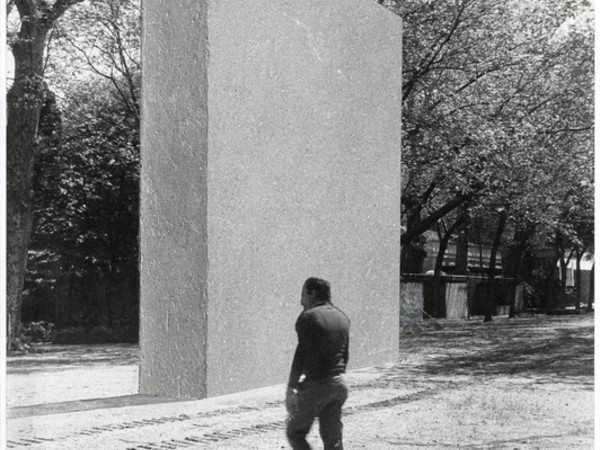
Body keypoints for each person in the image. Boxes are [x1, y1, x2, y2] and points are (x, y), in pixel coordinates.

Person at [286, 277, 351, 450]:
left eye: (303, 295)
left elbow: (301, 354)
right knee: (333, 439)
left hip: (317, 386)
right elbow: (345, 355)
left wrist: (292, 385)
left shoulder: (308, 317)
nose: (301, 301)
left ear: (312, 294)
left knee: (295, 433)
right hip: (340, 384)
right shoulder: (342, 317)